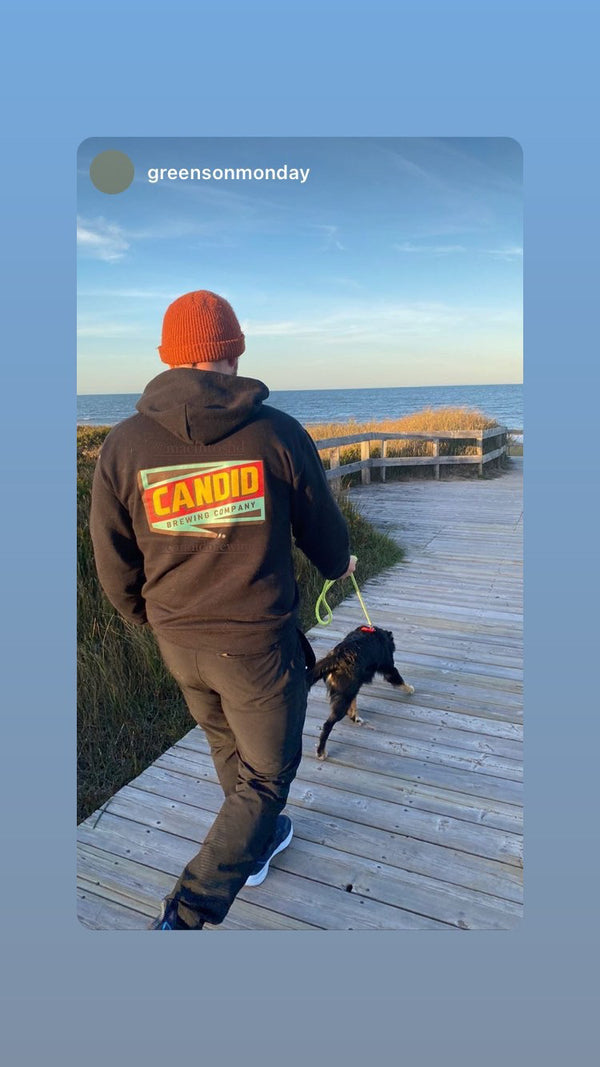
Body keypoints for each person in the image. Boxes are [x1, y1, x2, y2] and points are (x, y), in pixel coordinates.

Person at [90, 289, 355, 930]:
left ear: (167, 356)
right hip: (257, 648)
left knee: (224, 741)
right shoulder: (278, 433)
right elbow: (322, 528)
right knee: (266, 776)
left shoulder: (123, 445)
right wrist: (338, 563)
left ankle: (256, 844)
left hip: (178, 642)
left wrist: (148, 619)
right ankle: (184, 914)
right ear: (234, 352)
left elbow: (113, 559)